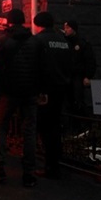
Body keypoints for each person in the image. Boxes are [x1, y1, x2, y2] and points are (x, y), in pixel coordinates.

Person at [0, 8, 42, 188]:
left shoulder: (3, 42)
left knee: (0, 128)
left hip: (8, 91)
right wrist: (40, 90)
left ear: (9, 22)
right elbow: (40, 68)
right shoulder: (35, 42)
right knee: (29, 131)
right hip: (29, 92)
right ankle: (29, 173)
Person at [34, 12, 72, 179]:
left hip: (45, 90)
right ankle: (55, 162)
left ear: (38, 24)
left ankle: (50, 166)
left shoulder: (38, 40)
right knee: (55, 126)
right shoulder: (63, 41)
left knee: (45, 127)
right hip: (61, 88)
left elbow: (36, 66)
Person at [63, 20, 96, 115]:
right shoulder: (64, 42)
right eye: (65, 28)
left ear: (73, 29)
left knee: (78, 99)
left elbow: (89, 60)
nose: (65, 30)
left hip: (78, 76)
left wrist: (88, 76)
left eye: (68, 28)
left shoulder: (82, 43)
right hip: (66, 75)